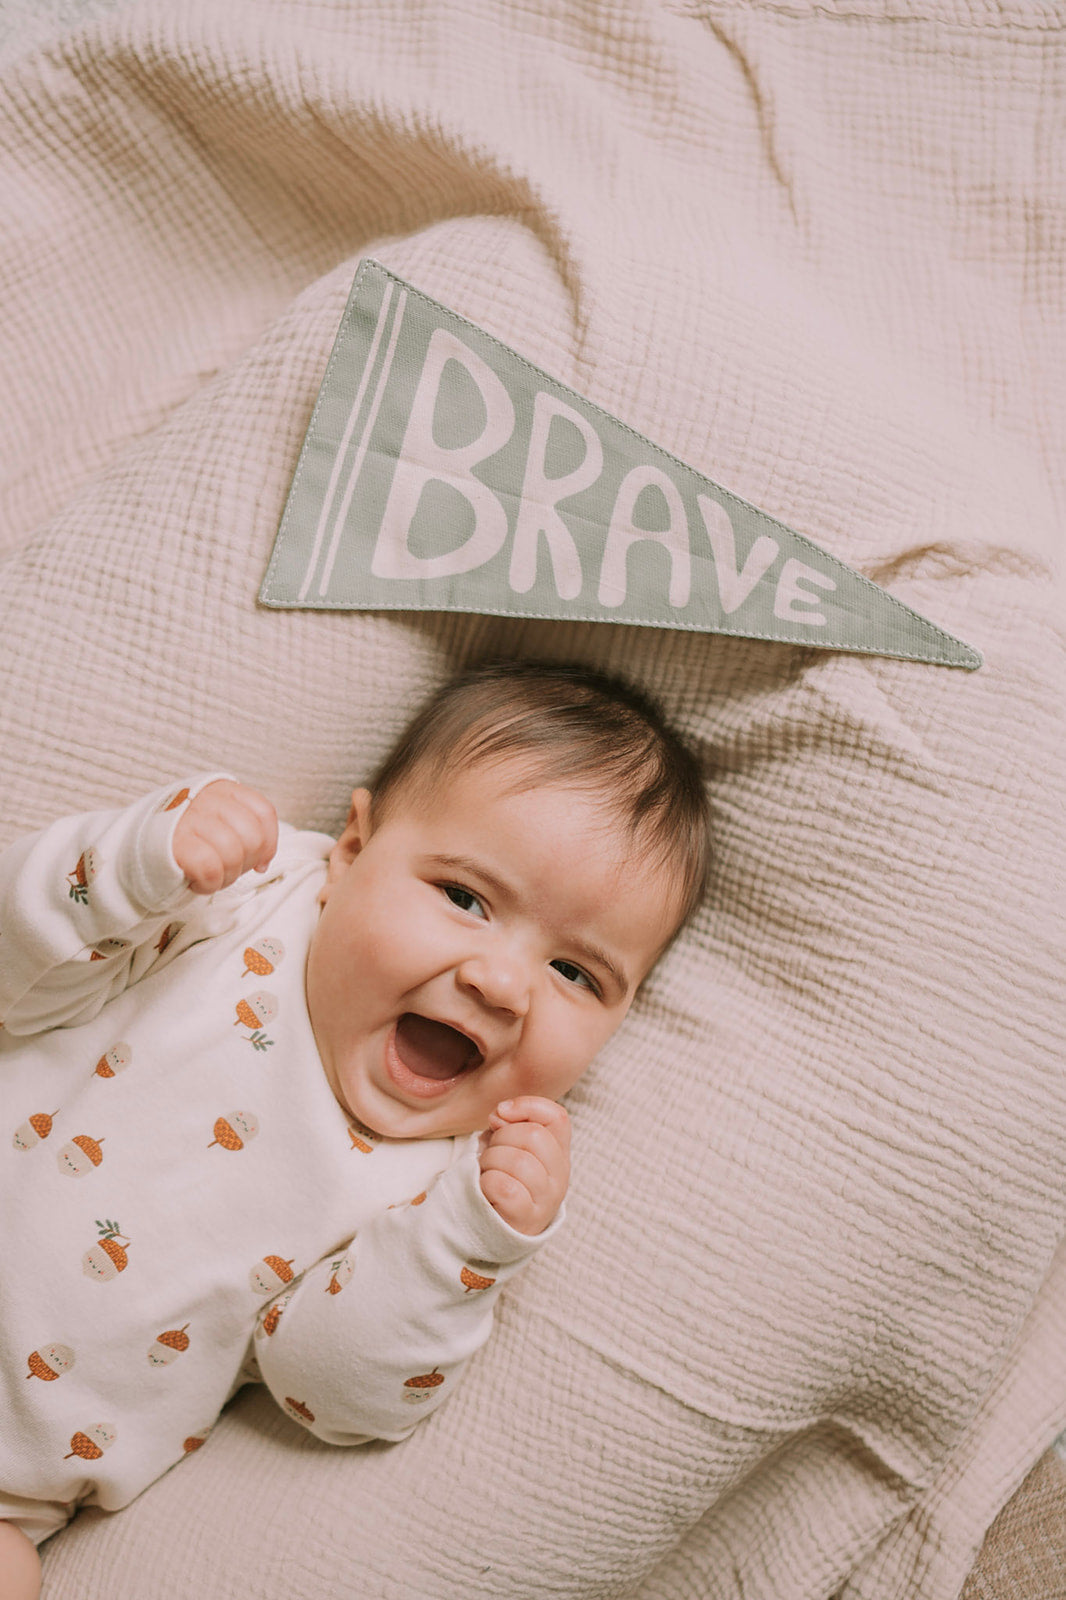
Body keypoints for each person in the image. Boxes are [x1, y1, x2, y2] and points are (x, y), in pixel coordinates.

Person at [0, 659, 710, 1600]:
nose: (503, 982)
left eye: (576, 974)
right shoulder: (242, 902)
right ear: (352, 848)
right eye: (464, 898)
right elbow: (19, 979)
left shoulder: (448, 1187)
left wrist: (464, 1248)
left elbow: (326, 1392)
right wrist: (134, 865)